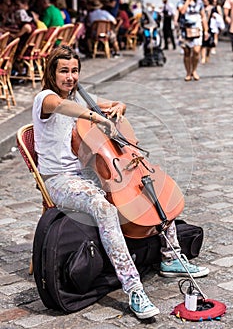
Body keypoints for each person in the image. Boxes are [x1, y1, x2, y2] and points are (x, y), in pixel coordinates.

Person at [32, 45, 209, 320]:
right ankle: (134, 287)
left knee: (151, 187)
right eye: (64, 71)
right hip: (61, 180)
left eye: (75, 70)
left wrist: (117, 107)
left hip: (86, 175)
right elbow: (63, 107)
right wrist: (94, 116)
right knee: (106, 210)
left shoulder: (78, 98)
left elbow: (112, 105)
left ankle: (170, 256)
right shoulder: (46, 98)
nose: (70, 77)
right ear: (51, 73)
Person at [177, 0, 209, 81]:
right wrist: (188, 0)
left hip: (197, 29)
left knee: (196, 51)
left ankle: (194, 70)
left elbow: (203, 16)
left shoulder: (199, 2)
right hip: (185, 30)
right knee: (187, 52)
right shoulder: (181, 2)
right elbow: (182, 11)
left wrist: (206, 30)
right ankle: (188, 72)